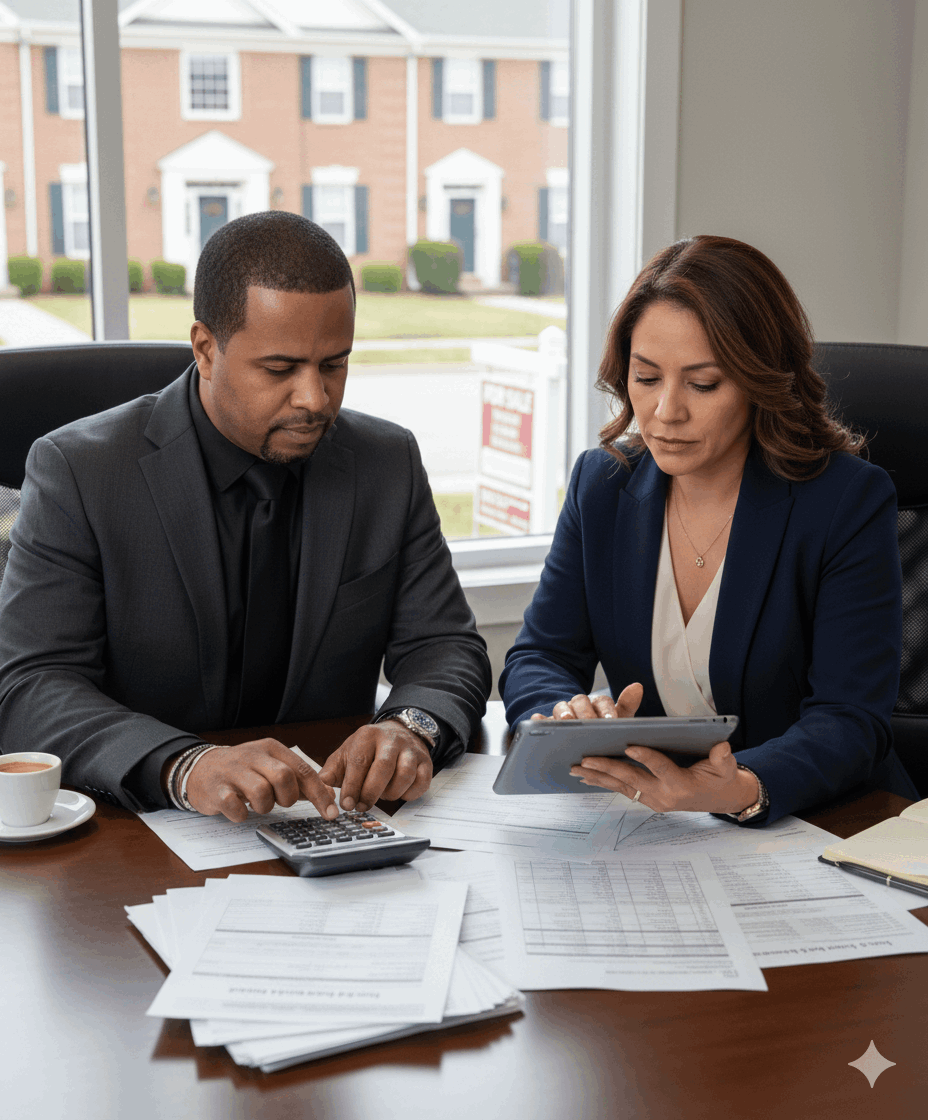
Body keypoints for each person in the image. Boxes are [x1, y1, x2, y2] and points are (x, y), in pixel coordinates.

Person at [0, 211, 490, 822]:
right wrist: (186, 765)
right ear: (206, 349)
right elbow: (32, 686)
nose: (315, 399)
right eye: (280, 369)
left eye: (334, 365)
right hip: (144, 831)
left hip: (332, 823)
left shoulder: (386, 463)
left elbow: (444, 644)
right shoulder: (78, 471)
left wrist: (410, 726)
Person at [500, 234, 918, 826]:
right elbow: (539, 654)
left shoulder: (845, 502)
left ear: (760, 381)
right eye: (646, 378)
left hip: (824, 818)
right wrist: (562, 714)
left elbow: (850, 720)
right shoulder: (603, 486)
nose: (667, 412)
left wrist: (744, 787)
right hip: (665, 822)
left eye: (702, 384)